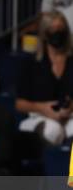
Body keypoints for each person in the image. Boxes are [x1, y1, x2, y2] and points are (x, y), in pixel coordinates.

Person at [16, 11, 73, 145]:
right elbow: (20, 103)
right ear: (44, 33)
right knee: (52, 131)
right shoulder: (30, 63)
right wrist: (42, 108)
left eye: (61, 29)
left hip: (70, 116)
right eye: (53, 29)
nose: (58, 33)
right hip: (40, 116)